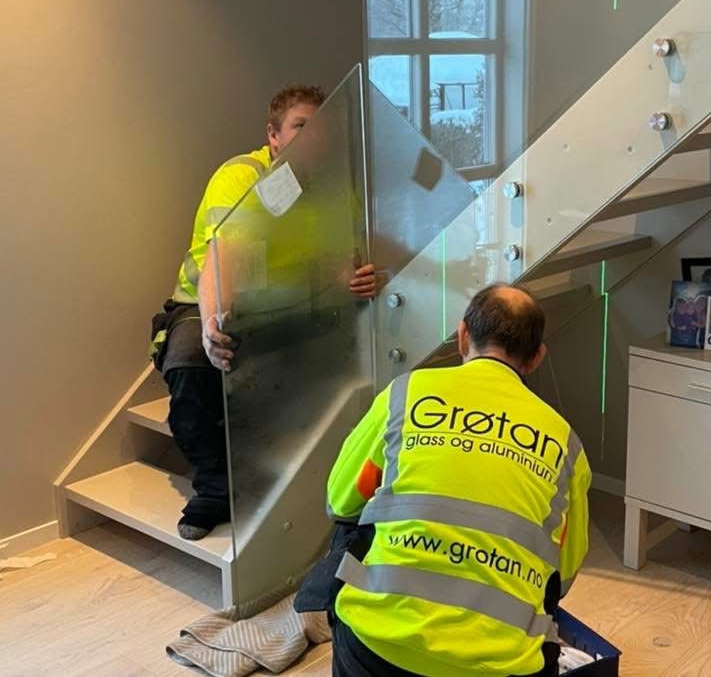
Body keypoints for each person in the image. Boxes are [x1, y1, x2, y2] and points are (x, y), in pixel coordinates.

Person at [322, 284, 591, 677]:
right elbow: (563, 576)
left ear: (462, 335)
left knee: (353, 526)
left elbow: (339, 501)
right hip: (499, 665)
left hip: (376, 646)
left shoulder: (406, 394)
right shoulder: (566, 444)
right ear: (536, 358)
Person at [149, 84, 377, 541]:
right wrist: (213, 323)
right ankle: (215, 489)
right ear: (274, 135)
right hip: (207, 303)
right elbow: (224, 255)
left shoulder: (335, 191)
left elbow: (339, 259)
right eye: (300, 126)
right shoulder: (242, 176)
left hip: (288, 311)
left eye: (321, 128)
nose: (313, 136)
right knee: (191, 360)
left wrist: (354, 278)